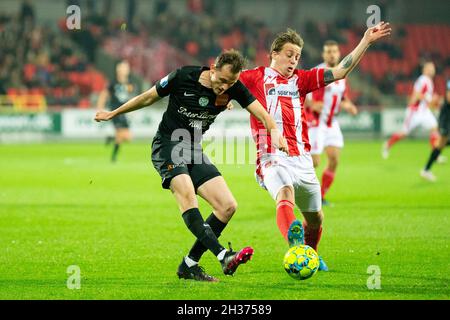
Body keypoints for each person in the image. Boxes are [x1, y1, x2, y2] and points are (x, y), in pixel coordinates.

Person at [95, 50, 289, 282]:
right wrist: (113, 113)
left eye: (232, 83)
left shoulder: (233, 88)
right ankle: (223, 255)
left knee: (227, 206)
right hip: (167, 144)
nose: (226, 87)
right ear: (213, 69)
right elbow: (148, 97)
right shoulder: (183, 76)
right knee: (188, 196)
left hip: (193, 148)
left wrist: (275, 134)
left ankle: (189, 265)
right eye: (223, 80)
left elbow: (262, 114)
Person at [239, 23, 391, 272]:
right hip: (271, 155)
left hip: (302, 159)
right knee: (285, 193)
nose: (293, 61)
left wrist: (365, 41)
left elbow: (341, 71)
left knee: (316, 218)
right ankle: (296, 247)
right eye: (289, 55)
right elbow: (222, 77)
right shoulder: (254, 76)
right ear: (274, 53)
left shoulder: (302, 79)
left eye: (297, 57)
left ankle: (311, 254)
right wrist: (227, 95)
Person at [305, 40, 358, 205]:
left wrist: (348, 105)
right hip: (316, 123)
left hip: (331, 123)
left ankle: (320, 197)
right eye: (328, 52)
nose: (332, 54)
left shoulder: (341, 74)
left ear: (339, 53)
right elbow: (303, 92)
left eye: (334, 51)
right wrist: (312, 104)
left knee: (334, 159)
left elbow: (342, 97)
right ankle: (297, 192)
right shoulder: (318, 72)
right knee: (314, 163)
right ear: (323, 54)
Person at [383, 61, 442, 159]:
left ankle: (435, 155)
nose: (433, 70)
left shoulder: (429, 81)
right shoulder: (422, 80)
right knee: (404, 133)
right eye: (430, 68)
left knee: (434, 128)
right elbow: (416, 94)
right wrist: (429, 99)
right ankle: (387, 144)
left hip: (424, 111)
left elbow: (425, 98)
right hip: (415, 111)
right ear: (425, 70)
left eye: (433, 68)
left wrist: (432, 102)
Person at [96, 60, 137, 162]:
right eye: (122, 68)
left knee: (128, 138)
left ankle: (110, 138)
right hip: (115, 111)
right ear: (118, 70)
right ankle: (113, 157)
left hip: (125, 111)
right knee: (120, 134)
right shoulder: (113, 83)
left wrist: (133, 110)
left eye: (126, 68)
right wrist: (100, 108)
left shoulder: (130, 83)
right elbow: (104, 95)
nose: (124, 70)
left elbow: (132, 97)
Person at [421, 79, 450, 181]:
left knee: (441, 144)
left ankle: (426, 169)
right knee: (441, 143)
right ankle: (426, 170)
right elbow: (449, 98)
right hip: (446, 118)